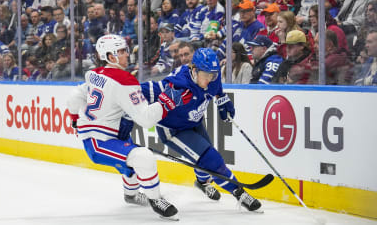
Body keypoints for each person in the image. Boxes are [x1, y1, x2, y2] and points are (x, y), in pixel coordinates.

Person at [66, 34, 184, 219]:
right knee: (143, 157)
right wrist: (166, 103)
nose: (127, 54)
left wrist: (74, 117)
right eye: (121, 51)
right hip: (100, 141)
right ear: (110, 57)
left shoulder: (94, 73)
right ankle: (156, 200)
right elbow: (145, 119)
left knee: (130, 160)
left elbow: (74, 95)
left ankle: (131, 195)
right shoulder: (124, 80)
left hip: (106, 134)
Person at [140, 48, 262, 212]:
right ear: (194, 70)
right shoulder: (178, 83)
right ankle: (239, 193)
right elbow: (139, 90)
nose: (209, 80)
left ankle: (203, 183)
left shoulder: (212, 76)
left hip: (194, 121)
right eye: (206, 75)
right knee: (210, 158)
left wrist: (222, 99)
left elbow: (217, 87)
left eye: (213, 75)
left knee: (205, 156)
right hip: (173, 129)